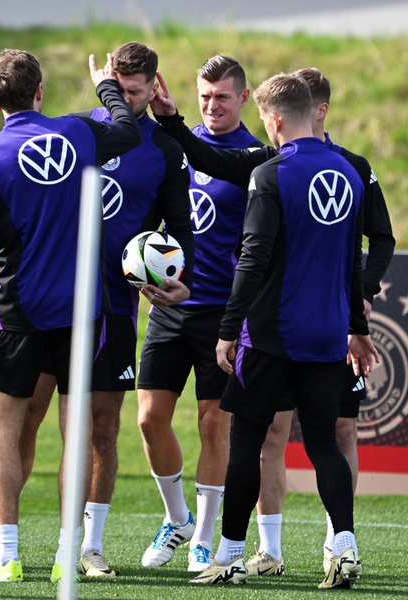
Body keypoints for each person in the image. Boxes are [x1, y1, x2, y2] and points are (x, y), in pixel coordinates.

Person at [150, 67, 394, 580]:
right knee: (324, 441)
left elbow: (253, 259)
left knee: (247, 441)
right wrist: (358, 326)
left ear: (275, 118)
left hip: (270, 334)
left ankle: (231, 556)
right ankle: (344, 547)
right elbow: (355, 261)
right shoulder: (349, 173)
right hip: (328, 336)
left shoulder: (272, 172)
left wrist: (226, 328)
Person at [0, 41, 193, 580]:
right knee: (26, 420)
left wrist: (177, 279)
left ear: (155, 86)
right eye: (124, 88)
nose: (132, 98)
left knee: (101, 430)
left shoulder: (161, 151)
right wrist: (109, 95)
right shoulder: (80, 131)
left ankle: (86, 546)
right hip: (63, 304)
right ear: (112, 82)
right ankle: (0, 537)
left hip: (105, 307)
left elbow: (179, 231)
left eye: (140, 90)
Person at [136, 55, 262, 573]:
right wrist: (142, 270)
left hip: (222, 315)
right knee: (148, 420)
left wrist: (174, 124)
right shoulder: (174, 149)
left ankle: (204, 539)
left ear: (244, 98)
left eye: (223, 97)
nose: (212, 106)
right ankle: (177, 517)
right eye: (205, 97)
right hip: (170, 307)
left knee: (214, 425)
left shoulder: (257, 156)